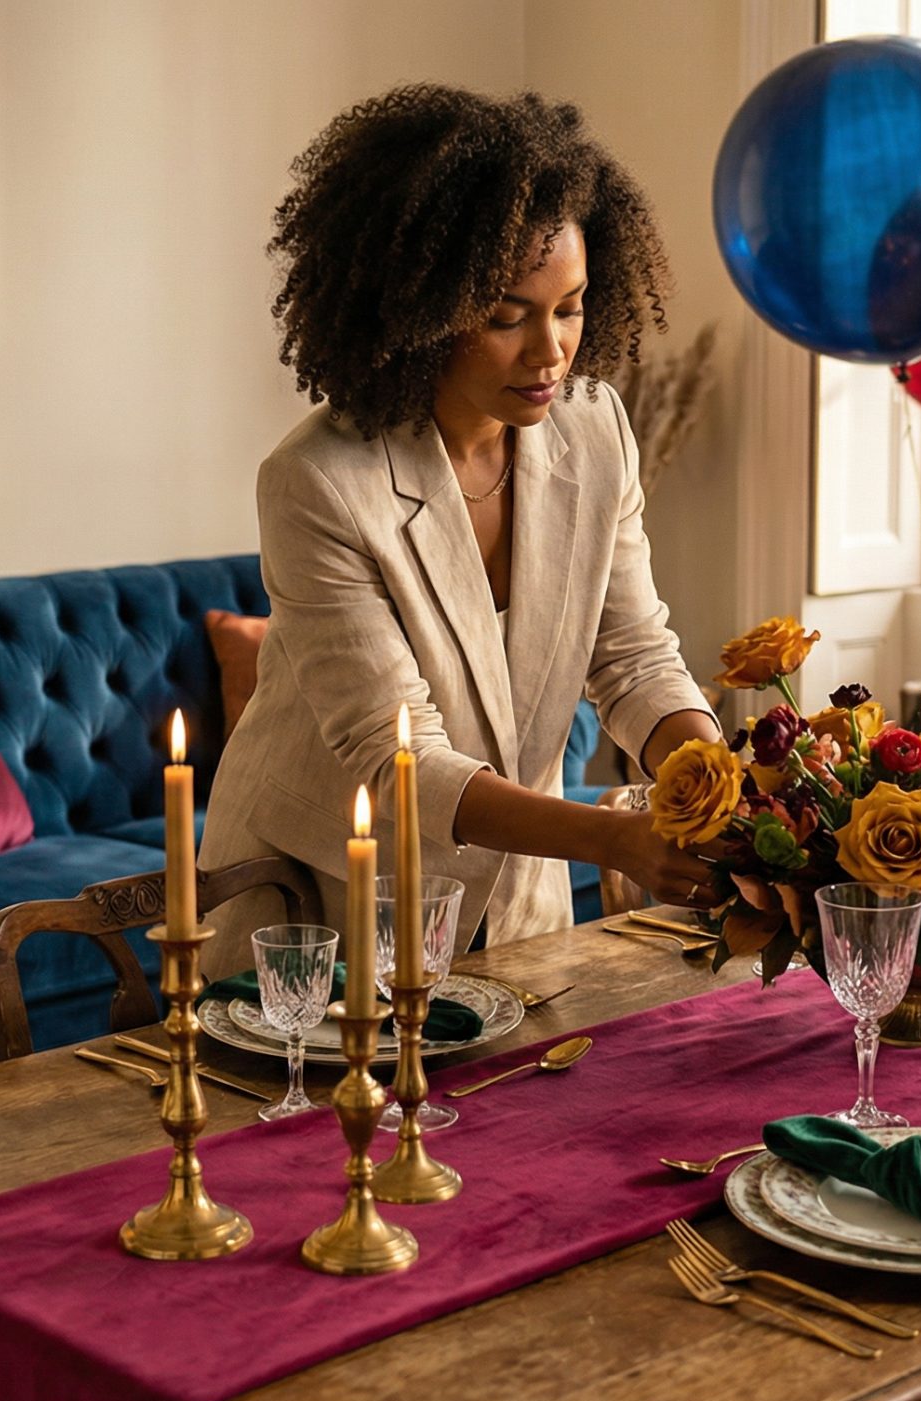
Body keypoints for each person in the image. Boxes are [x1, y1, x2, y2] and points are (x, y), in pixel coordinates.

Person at [201, 85, 721, 976]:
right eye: (507, 315)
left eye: (572, 306)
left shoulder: (596, 430)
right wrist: (617, 840)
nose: (551, 349)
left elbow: (633, 655)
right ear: (419, 311)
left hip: (519, 902)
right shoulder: (319, 482)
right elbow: (395, 760)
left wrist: (712, 779)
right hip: (320, 895)